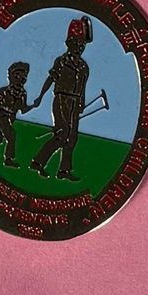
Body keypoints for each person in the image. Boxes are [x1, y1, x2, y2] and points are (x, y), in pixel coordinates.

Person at [28, 19, 97, 181]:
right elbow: (51, 79)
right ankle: (38, 162)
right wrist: (40, 96)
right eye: (77, 43)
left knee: (72, 138)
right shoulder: (62, 61)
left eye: (82, 44)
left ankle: (64, 170)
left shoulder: (84, 67)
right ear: (69, 43)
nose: (80, 47)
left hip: (75, 102)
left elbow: (82, 87)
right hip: (61, 99)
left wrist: (81, 102)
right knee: (61, 135)